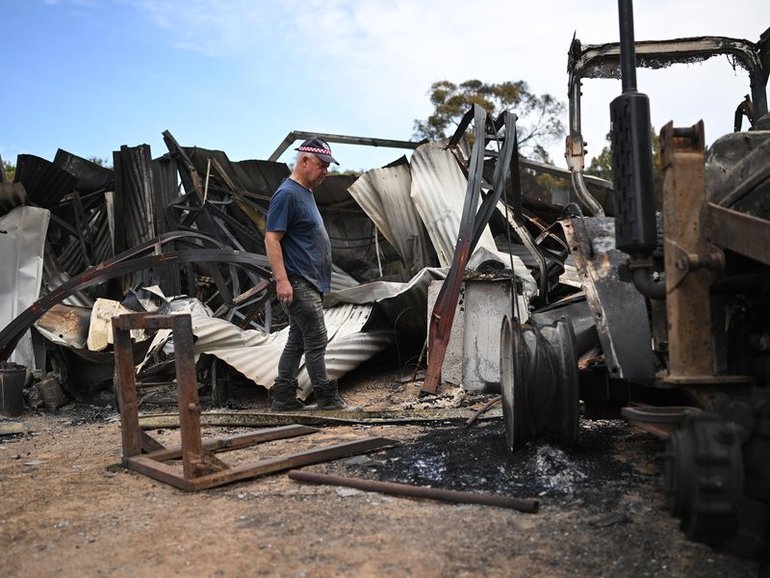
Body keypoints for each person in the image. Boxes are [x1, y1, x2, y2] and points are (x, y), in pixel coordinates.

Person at [265, 136, 354, 412]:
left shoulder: (306, 193)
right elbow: (271, 239)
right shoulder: (287, 194)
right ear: (304, 161)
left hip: (310, 281)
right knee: (316, 337)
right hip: (298, 280)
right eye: (322, 165)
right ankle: (327, 399)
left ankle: (283, 399)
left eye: (328, 166)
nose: (326, 171)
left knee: (297, 339)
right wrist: (282, 281)